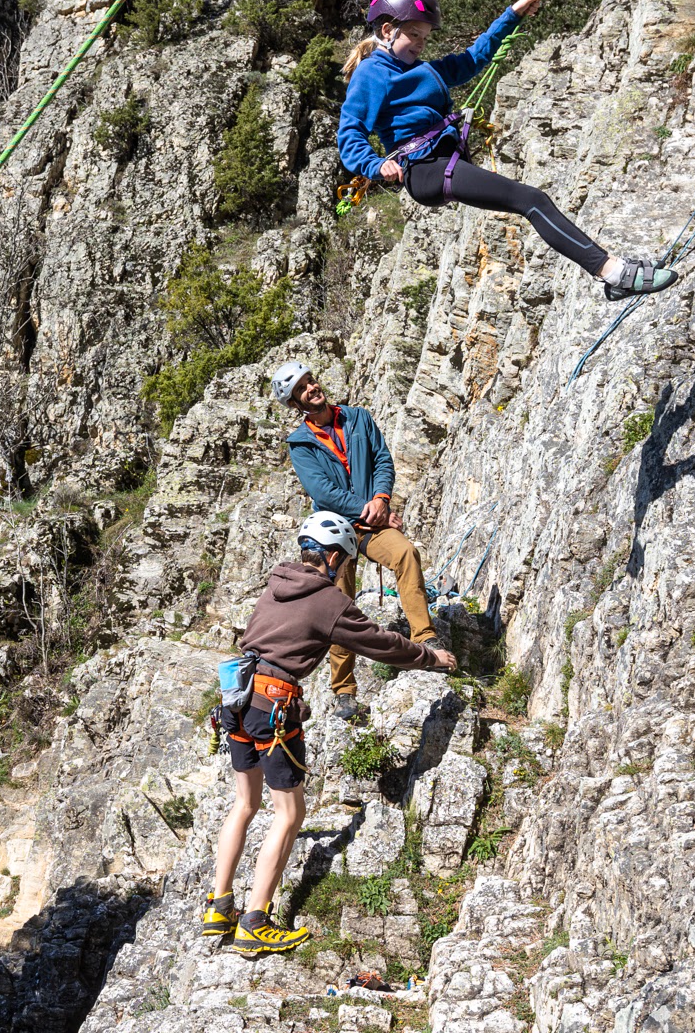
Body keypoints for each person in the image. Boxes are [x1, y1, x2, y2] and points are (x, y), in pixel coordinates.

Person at [206, 511, 457, 956]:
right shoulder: (327, 601)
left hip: (236, 701)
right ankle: (254, 922)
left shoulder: (274, 586)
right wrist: (429, 657)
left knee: (244, 804)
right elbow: (381, 643)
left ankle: (218, 906)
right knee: (288, 814)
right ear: (336, 557)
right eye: (343, 562)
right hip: (273, 708)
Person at [338, 0, 678, 300]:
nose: (421, 43)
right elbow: (350, 131)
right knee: (532, 200)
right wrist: (376, 164)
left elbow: (473, 59)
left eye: (425, 37)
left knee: (531, 200)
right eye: (414, 35)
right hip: (424, 169)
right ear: (387, 30)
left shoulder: (420, 69)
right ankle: (614, 274)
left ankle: (614, 274)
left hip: (440, 163)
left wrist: (511, 16)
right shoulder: (373, 73)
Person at [269, 361, 432, 719]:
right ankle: (344, 690)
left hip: (372, 518)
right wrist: (370, 508)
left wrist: (382, 499)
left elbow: (382, 460)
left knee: (405, 554)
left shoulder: (357, 418)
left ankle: (425, 639)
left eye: (311, 381)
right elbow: (322, 492)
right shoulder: (300, 444)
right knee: (337, 605)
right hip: (334, 532)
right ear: (296, 404)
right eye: (302, 388)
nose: (311, 388)